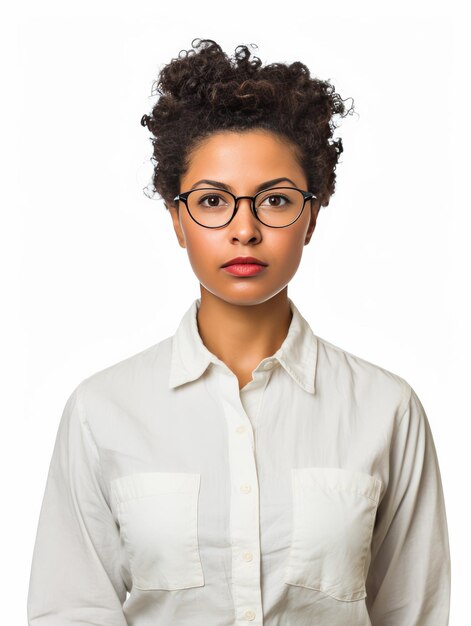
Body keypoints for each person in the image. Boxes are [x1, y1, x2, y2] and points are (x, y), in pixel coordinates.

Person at [27, 38, 451, 625]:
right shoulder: (103, 410)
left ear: (313, 215)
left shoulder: (386, 409)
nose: (244, 230)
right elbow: (70, 610)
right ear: (177, 219)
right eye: (213, 201)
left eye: (275, 200)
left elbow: (415, 613)